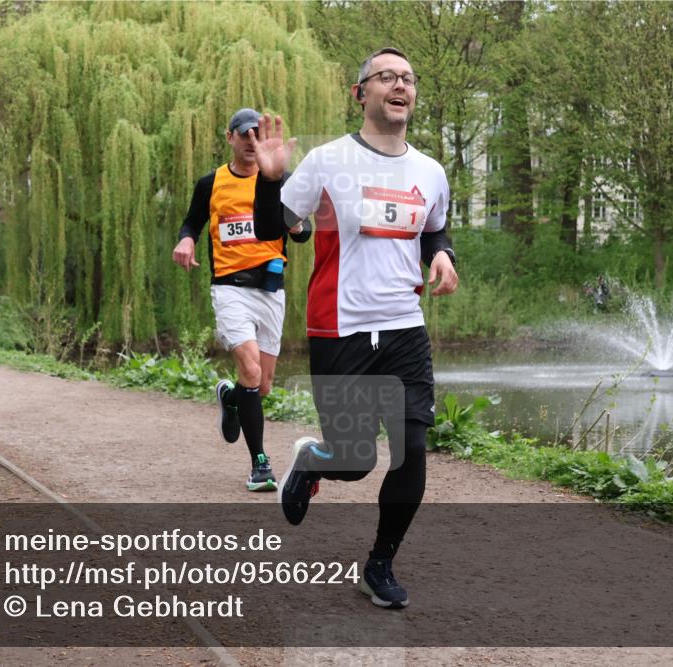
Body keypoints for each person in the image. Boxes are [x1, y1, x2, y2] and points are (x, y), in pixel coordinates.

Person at [251, 47, 459, 609]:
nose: (400, 84)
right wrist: (272, 181)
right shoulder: (327, 160)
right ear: (360, 93)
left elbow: (435, 231)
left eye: (409, 78)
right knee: (356, 459)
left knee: (411, 450)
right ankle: (315, 461)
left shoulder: (431, 172)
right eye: (386, 76)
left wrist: (443, 257)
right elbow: (284, 228)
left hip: (404, 328)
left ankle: (379, 564)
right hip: (339, 328)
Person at [172, 108, 311, 492]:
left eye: (257, 135)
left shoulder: (280, 180)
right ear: (229, 137)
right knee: (250, 370)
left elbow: (303, 234)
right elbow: (192, 222)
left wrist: (295, 221)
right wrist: (186, 239)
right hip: (230, 287)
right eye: (244, 135)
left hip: (271, 289)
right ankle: (260, 464)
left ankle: (231, 399)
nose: (252, 142)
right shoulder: (210, 182)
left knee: (261, 386)